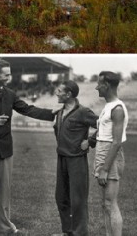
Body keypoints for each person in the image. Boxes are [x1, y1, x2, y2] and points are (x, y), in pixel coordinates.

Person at [0, 58, 55, 236]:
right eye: (6, 74)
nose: (9, 77)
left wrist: (50, 113)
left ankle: (5, 227)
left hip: (6, 150)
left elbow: (27, 109)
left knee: (5, 192)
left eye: (9, 74)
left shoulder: (10, 94)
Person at [52, 81, 98, 236]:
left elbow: (105, 125)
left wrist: (90, 142)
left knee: (77, 199)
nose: (56, 93)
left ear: (69, 93)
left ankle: (79, 233)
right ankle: (67, 232)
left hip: (77, 160)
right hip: (62, 158)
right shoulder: (59, 112)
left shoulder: (83, 112)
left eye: (59, 90)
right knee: (61, 197)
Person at [94, 71, 128, 236]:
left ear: (106, 86)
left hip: (110, 157)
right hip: (104, 153)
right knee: (105, 204)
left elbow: (116, 141)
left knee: (110, 203)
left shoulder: (117, 108)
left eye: (99, 84)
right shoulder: (108, 106)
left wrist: (105, 169)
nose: (96, 87)